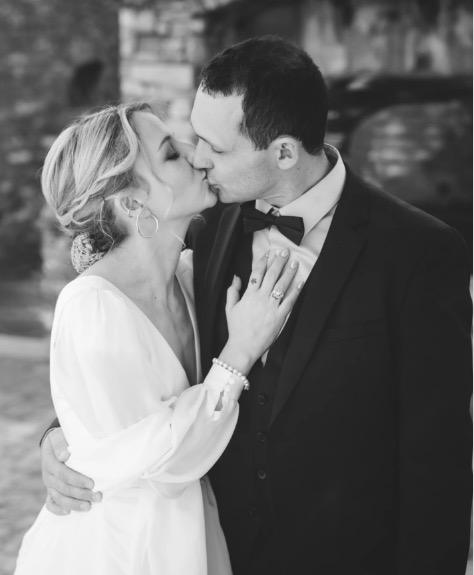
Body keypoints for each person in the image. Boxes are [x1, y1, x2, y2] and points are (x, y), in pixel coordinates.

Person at [40, 37, 472, 574]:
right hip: (215, 551)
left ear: (284, 153)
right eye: (192, 138)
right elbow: (126, 350)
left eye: (215, 148)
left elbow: (439, 458)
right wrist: (64, 438)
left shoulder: (418, 253)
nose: (198, 158)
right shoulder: (202, 226)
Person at [15, 101, 303, 575]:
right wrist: (240, 352)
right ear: (132, 203)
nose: (196, 154)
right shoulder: (91, 308)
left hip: (195, 534)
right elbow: (165, 465)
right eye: (170, 153)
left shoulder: (191, 278)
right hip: (121, 550)